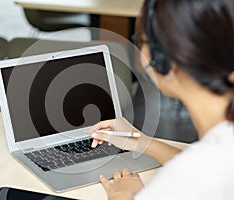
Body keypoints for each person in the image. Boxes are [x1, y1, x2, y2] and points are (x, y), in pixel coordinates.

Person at [86, 0, 234, 199]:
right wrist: (142, 142)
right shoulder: (217, 154)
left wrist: (121, 194)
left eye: (141, 41)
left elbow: (200, 175)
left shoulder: (185, 181)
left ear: (163, 60)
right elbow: (210, 168)